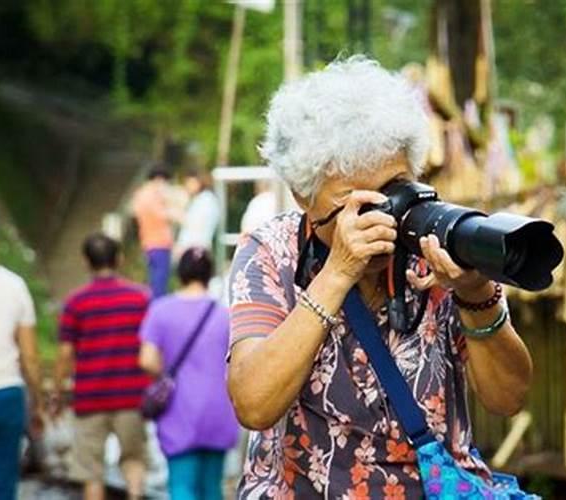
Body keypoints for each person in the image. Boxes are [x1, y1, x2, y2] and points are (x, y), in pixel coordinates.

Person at [226, 57, 533, 498]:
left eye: (393, 191)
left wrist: (474, 290)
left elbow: (509, 399)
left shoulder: (435, 241)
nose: (383, 219)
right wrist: (337, 274)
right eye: (357, 202)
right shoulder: (273, 252)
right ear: (303, 196)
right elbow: (253, 403)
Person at [53, 233, 151, 500]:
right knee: (133, 460)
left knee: (91, 471)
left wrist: (59, 391)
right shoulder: (140, 299)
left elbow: (65, 353)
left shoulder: (75, 303)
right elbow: (151, 346)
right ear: (119, 259)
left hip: (89, 397)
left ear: (86, 262)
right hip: (131, 395)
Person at [139, 247, 238, 500]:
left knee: (182, 487)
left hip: (179, 410)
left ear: (179, 273)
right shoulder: (225, 316)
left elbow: (147, 360)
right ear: (209, 275)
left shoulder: (161, 310)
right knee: (212, 488)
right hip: (220, 411)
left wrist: (168, 372)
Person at [0, 222, 44, 500]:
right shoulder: (13, 284)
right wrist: (38, 402)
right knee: (2, 483)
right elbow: (29, 356)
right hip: (4, 394)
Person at [132, 167, 176, 298]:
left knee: (155, 281)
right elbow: (163, 215)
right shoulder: (151, 196)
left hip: (149, 243)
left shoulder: (140, 195)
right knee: (159, 285)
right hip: (159, 243)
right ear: (159, 180)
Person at [175, 170, 221, 257]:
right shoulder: (201, 199)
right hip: (194, 249)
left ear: (198, 182)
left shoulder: (205, 200)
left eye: (189, 183)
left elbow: (195, 227)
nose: (187, 186)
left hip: (195, 250)